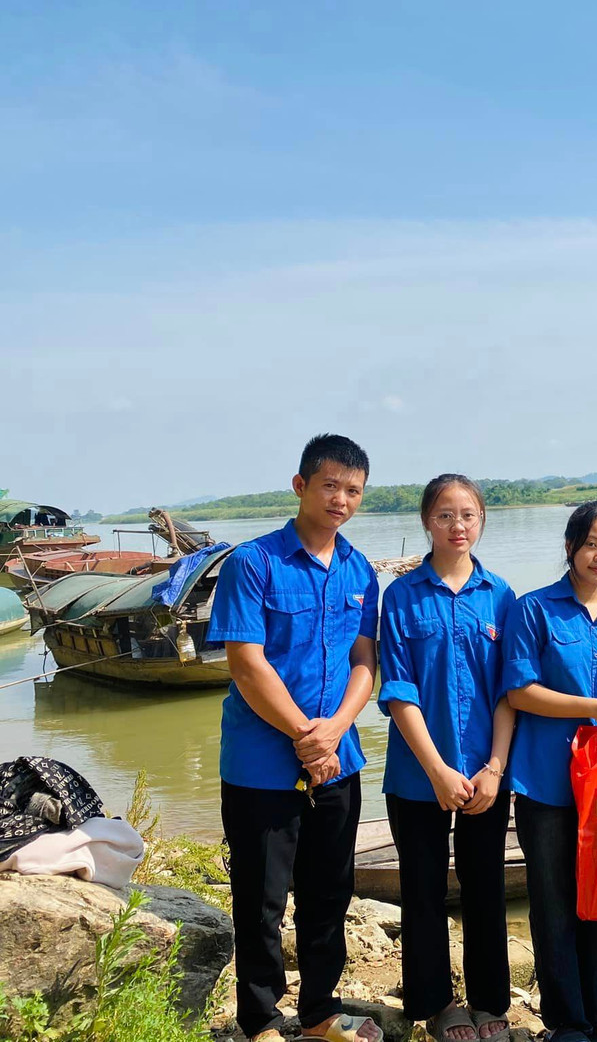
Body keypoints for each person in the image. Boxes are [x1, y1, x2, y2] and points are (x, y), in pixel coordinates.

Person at [209, 434, 382, 1042]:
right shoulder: (253, 563)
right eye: (330, 485)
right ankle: (259, 1017)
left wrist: (333, 731)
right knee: (260, 897)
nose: (341, 499)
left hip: (339, 759)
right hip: (261, 762)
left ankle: (319, 1012)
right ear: (301, 485)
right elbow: (246, 661)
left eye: (353, 490)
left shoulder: (361, 569)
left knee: (329, 889)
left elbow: (366, 660)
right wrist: (305, 735)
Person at [377, 475, 516, 1041]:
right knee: (424, 890)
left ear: (482, 520)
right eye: (445, 516)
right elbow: (398, 691)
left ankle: (488, 1003)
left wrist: (496, 767)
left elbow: (511, 690)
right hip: (417, 775)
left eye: (468, 515)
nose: (457, 526)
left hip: (487, 773)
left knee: (486, 887)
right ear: (425, 522)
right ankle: (435, 1006)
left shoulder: (501, 596)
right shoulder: (402, 597)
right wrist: (437, 769)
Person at [502, 502, 597, 1042]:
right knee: (555, 902)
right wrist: (595, 709)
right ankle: (566, 1021)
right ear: (570, 548)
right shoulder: (533, 609)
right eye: (591, 545)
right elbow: (520, 692)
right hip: (546, 782)